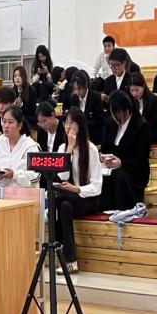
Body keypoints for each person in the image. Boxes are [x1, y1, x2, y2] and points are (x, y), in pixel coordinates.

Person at [55, 107, 103, 275]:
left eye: (72, 123)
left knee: (57, 197)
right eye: (66, 123)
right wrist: (69, 148)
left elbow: (97, 186)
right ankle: (71, 261)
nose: (68, 127)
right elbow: (62, 176)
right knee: (64, 206)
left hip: (88, 199)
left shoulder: (91, 149)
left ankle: (57, 246)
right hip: (69, 199)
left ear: (80, 126)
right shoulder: (62, 148)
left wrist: (77, 189)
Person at [100, 91, 151, 210]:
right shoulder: (111, 123)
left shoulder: (141, 126)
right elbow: (105, 147)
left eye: (119, 112)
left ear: (127, 109)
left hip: (134, 170)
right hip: (111, 167)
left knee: (117, 175)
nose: (116, 117)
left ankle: (121, 210)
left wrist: (121, 162)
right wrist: (104, 158)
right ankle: (103, 211)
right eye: (114, 113)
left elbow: (141, 157)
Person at [0, 106, 40, 199]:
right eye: (4, 121)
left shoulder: (31, 146)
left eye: (10, 122)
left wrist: (14, 175)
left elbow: (35, 177)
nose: (6, 125)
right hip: (1, 193)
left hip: (24, 195)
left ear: (19, 125)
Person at [70, 71, 105, 145]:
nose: (77, 92)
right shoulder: (74, 98)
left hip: (93, 135)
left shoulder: (95, 96)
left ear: (85, 85)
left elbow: (100, 120)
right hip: (79, 135)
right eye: (75, 89)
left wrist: (83, 123)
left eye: (79, 89)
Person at [129, 72, 157, 145]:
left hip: (149, 133)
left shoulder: (153, 100)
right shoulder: (130, 100)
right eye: (132, 90)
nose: (134, 93)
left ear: (143, 86)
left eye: (137, 90)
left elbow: (154, 124)